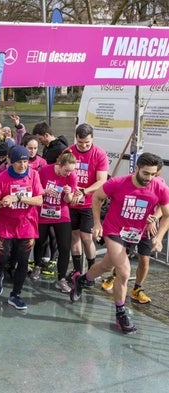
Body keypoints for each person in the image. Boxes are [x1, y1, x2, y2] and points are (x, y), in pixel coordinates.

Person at [70, 153, 169, 334]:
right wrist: (97, 223)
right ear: (137, 168)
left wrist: (159, 237)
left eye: (153, 174)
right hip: (114, 230)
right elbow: (97, 197)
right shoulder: (118, 183)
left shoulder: (160, 187)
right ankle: (120, 313)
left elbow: (167, 214)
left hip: (135, 234)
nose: (149, 178)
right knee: (124, 271)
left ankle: (82, 280)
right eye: (146, 173)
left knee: (106, 265)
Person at [0, 145, 43, 310]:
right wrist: (3, 201)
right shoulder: (2, 178)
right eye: (19, 161)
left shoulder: (34, 175)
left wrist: (18, 198)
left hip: (27, 225)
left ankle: (15, 295)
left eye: (25, 161)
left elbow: (39, 200)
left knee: (23, 261)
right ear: (10, 161)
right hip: (6, 225)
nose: (23, 165)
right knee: (3, 256)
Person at [67, 123, 109, 284]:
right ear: (76, 139)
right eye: (80, 143)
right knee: (74, 236)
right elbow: (63, 173)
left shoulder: (99, 154)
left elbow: (102, 181)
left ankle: (92, 271)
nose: (83, 146)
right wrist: (72, 189)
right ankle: (77, 270)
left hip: (89, 203)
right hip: (72, 202)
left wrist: (84, 191)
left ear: (92, 139)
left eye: (87, 143)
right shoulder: (69, 151)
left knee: (86, 237)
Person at [32, 152, 78, 291]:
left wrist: (68, 193)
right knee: (40, 241)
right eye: (66, 170)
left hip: (61, 214)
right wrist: (46, 191)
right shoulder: (45, 170)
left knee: (64, 246)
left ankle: (61, 279)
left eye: (71, 171)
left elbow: (68, 201)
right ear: (59, 165)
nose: (68, 173)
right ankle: (37, 266)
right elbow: (36, 189)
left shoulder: (72, 177)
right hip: (43, 212)